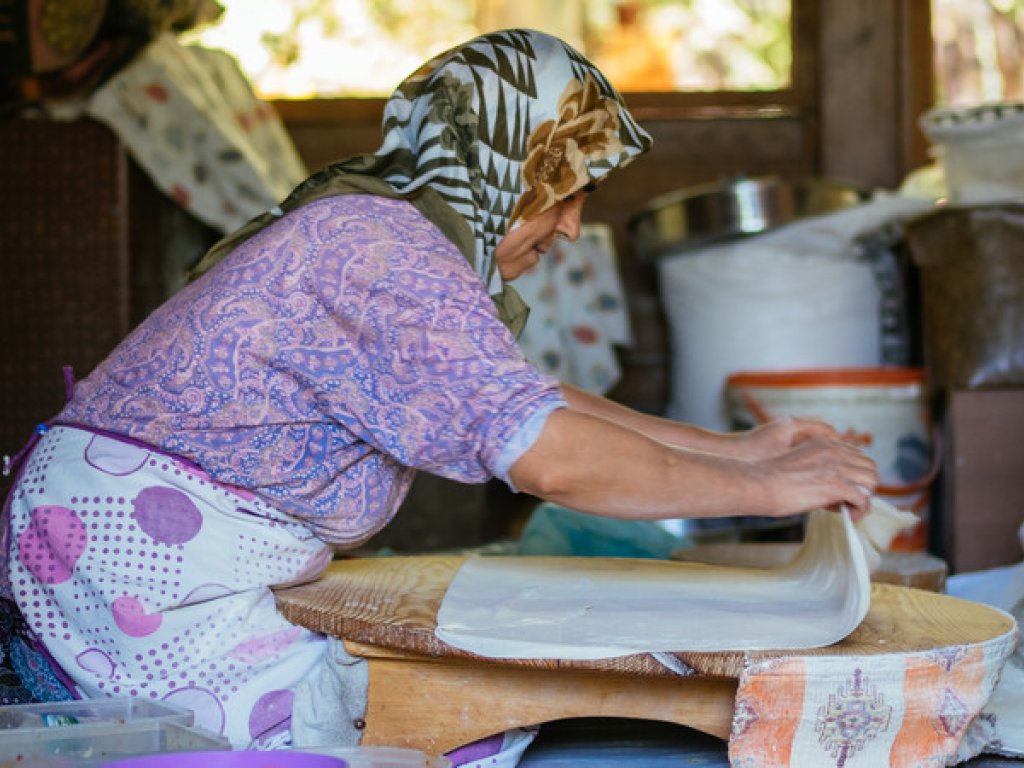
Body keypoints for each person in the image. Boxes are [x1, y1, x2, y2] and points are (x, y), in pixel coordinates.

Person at [0, 28, 878, 759]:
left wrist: (738, 452)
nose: (571, 225)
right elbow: (549, 453)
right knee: (430, 732)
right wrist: (767, 491)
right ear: (503, 165)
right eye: (562, 191)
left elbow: (532, 398)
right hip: (130, 570)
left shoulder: (387, 234)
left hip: (122, 546)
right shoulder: (377, 247)